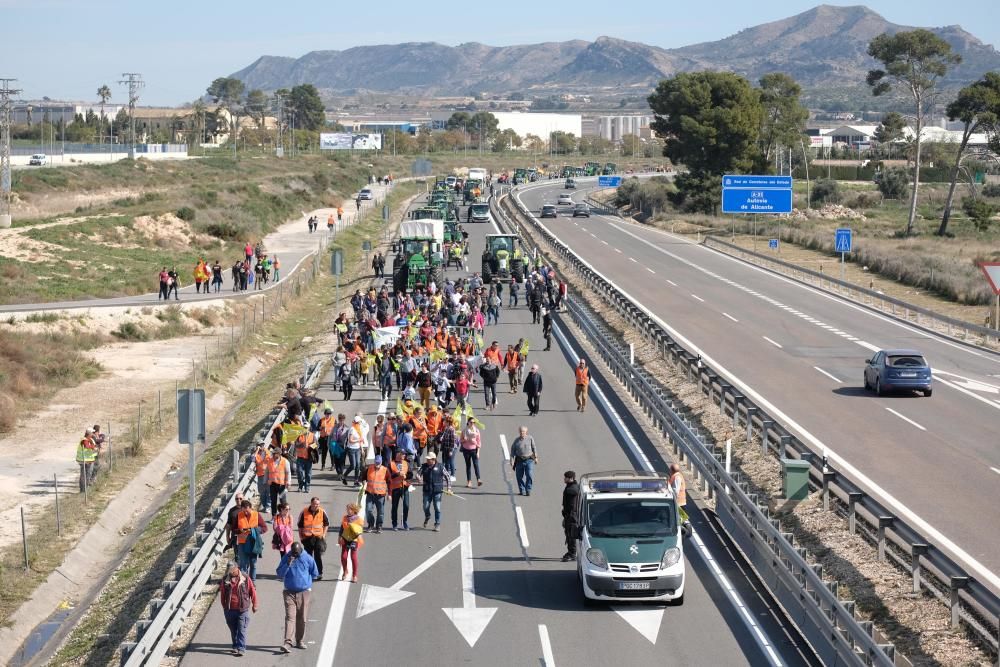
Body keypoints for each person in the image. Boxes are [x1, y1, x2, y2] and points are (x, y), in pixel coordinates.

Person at [277, 542, 319, 654]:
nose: (294, 555)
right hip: (289, 592)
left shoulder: (308, 558)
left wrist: (306, 584)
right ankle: (287, 642)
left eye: (296, 553)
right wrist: (288, 564)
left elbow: (315, 573)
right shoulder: (287, 557)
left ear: (301, 550)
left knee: (302, 618)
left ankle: (299, 640)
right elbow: (279, 574)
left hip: (304, 592)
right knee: (290, 617)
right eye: (293, 553)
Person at [218, 560, 258, 657]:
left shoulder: (245, 578)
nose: (230, 572)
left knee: (241, 629)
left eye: (232, 570)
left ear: (237, 568)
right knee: (233, 630)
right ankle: (235, 646)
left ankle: (241, 648)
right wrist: (225, 608)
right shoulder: (225, 579)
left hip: (242, 610)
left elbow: (252, 591)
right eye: (229, 570)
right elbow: (222, 594)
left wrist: (255, 605)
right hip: (229, 610)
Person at [298, 497, 330, 579]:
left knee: (317, 555)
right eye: (315, 504)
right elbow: (300, 526)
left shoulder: (322, 512)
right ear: (311, 503)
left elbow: (326, 524)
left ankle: (319, 572)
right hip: (307, 537)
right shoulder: (304, 511)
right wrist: (301, 537)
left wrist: (324, 535)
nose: (316, 506)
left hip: (318, 537)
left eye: (318, 504)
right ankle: (309, 572)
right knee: (308, 556)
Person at [420, 451, 451, 531]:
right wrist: (418, 478)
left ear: (433, 459)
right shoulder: (424, 466)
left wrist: (449, 488)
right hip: (427, 490)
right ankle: (427, 515)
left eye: (429, 459)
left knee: (437, 507)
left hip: (437, 491)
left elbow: (448, 477)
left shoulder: (440, 467)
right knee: (425, 506)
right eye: (427, 459)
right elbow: (418, 473)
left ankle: (437, 524)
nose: (427, 460)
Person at [236, 499, 264, 580]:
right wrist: (239, 530)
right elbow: (234, 529)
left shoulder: (256, 515)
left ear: (250, 508)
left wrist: (254, 530)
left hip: (253, 542)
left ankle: (252, 582)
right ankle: (243, 583)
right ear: (241, 509)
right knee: (243, 564)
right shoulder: (239, 515)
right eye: (244, 511)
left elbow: (264, 528)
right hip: (242, 543)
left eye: (247, 511)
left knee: (253, 564)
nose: (246, 513)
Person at [338, 503, 364, 582]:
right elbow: (342, 528)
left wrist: (352, 525)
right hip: (345, 538)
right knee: (344, 557)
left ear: (354, 510)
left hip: (354, 539)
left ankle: (354, 575)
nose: (348, 511)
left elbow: (359, 530)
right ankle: (345, 571)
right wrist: (339, 537)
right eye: (347, 509)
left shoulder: (359, 519)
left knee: (353, 557)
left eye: (349, 509)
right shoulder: (345, 518)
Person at [364, 455, 390, 533]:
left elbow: (389, 482)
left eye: (378, 463)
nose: (377, 464)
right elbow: (363, 476)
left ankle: (379, 526)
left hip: (380, 495)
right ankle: (371, 525)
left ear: (381, 462)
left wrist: (389, 494)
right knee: (368, 510)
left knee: (380, 512)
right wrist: (361, 480)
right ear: (374, 462)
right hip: (370, 494)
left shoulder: (385, 470)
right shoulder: (369, 468)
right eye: (376, 462)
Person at [510, 426, 538, 496]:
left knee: (529, 474)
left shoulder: (530, 438)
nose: (522, 433)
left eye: (523, 431)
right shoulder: (516, 440)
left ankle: (528, 489)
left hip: (529, 460)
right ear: (519, 432)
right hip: (519, 461)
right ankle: (522, 490)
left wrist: (536, 457)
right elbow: (512, 450)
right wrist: (512, 460)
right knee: (519, 476)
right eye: (521, 431)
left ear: (526, 432)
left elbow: (534, 447)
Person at [389, 450, 411, 530]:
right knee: (395, 506)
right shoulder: (391, 463)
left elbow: (410, 474)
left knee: (406, 505)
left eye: (404, 454)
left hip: (404, 487)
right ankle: (394, 523)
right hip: (395, 488)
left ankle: (405, 522)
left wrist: (407, 476)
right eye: (402, 454)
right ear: (398, 454)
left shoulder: (406, 463)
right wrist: (398, 474)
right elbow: (389, 476)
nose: (404, 456)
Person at [561, 471, 580, 561]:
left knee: (570, 535)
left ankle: (572, 553)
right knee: (569, 534)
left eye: (566, 477)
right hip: (569, 515)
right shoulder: (572, 487)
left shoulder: (571, 489)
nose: (564, 479)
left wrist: (567, 515)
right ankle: (571, 552)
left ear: (571, 478)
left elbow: (570, 504)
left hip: (572, 516)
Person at [268, 448, 291, 516]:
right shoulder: (270, 460)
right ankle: (274, 516)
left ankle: (284, 515)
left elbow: (288, 472)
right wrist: (267, 480)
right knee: (273, 501)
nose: (274, 455)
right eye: (273, 453)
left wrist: (288, 482)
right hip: (272, 484)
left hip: (282, 485)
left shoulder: (285, 461)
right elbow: (267, 471)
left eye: (275, 453)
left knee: (283, 502)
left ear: (279, 454)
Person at [343, 416, 365, 487]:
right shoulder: (352, 429)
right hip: (351, 449)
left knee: (358, 465)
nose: (360, 423)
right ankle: (344, 476)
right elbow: (350, 440)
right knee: (353, 466)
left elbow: (361, 439)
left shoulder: (359, 429)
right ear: (357, 422)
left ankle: (356, 481)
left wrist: (361, 449)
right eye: (359, 422)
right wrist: (358, 440)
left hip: (357, 448)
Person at [459, 419, 482, 488]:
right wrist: (464, 440)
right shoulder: (464, 431)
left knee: (476, 464)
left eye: (474, 422)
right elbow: (460, 441)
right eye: (471, 422)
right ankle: (469, 481)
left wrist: (478, 452)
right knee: (468, 465)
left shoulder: (477, 431)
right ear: (468, 422)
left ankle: (478, 479)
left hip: (474, 450)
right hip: (466, 450)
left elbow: (479, 442)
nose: (472, 423)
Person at [76, 428, 98, 492]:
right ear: (89, 433)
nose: (93, 434)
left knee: (88, 474)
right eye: (92, 433)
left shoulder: (90, 439)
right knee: (84, 475)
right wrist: (93, 447)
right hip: (84, 460)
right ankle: (83, 490)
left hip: (89, 460)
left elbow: (93, 446)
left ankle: (85, 488)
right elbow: (86, 446)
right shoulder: (84, 440)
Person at [668, 463, 690, 528]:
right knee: (681, 519)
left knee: (681, 519)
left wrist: (671, 498)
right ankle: (684, 529)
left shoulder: (676, 477)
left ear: (671, 470)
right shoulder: (678, 475)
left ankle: (685, 531)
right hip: (680, 502)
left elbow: (675, 490)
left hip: (678, 502)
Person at [253, 442, 270, 513]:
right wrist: (256, 451)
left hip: (267, 474)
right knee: (261, 492)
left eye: (262, 445)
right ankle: (264, 505)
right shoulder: (257, 453)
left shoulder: (267, 453)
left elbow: (259, 461)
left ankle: (268, 506)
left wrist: (256, 453)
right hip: (260, 475)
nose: (261, 446)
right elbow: (252, 459)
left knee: (268, 491)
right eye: (259, 445)